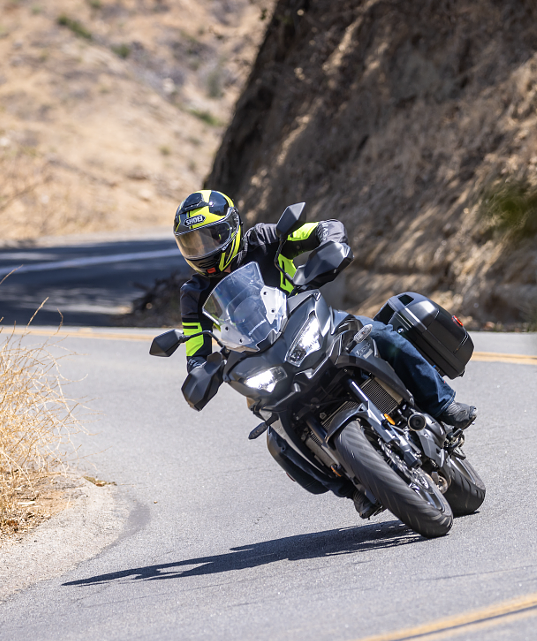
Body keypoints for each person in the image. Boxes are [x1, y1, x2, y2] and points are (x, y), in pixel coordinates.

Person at [173, 190, 476, 514]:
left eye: (209, 237)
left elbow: (319, 229)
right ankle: (352, 486)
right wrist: (202, 370)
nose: (202, 250)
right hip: (258, 361)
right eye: (192, 244)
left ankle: (442, 403)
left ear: (230, 228)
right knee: (277, 439)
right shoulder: (194, 295)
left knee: (380, 334)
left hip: (307, 322)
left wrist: (330, 240)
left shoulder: (264, 239)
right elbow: (196, 350)